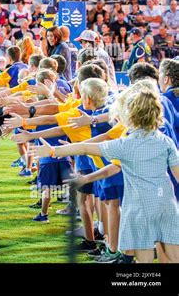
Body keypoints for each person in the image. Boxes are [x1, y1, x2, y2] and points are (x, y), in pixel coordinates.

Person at [33, 81, 179, 263]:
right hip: (167, 205)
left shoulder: (124, 144)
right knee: (172, 258)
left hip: (139, 210)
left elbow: (86, 148)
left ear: (130, 115)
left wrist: (54, 151)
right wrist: (87, 177)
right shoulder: (165, 141)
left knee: (145, 261)